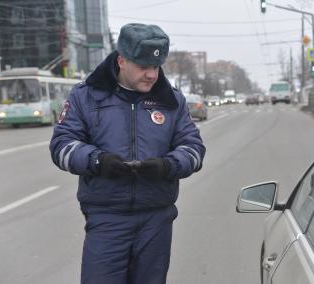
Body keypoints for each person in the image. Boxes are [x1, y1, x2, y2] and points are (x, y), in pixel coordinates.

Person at [49, 23, 206, 284]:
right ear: (121, 60)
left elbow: (194, 148)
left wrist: (168, 166)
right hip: (107, 217)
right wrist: (98, 161)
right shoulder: (86, 95)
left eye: (155, 67)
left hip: (156, 218)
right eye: (143, 66)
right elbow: (62, 145)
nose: (152, 75)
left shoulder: (172, 100)